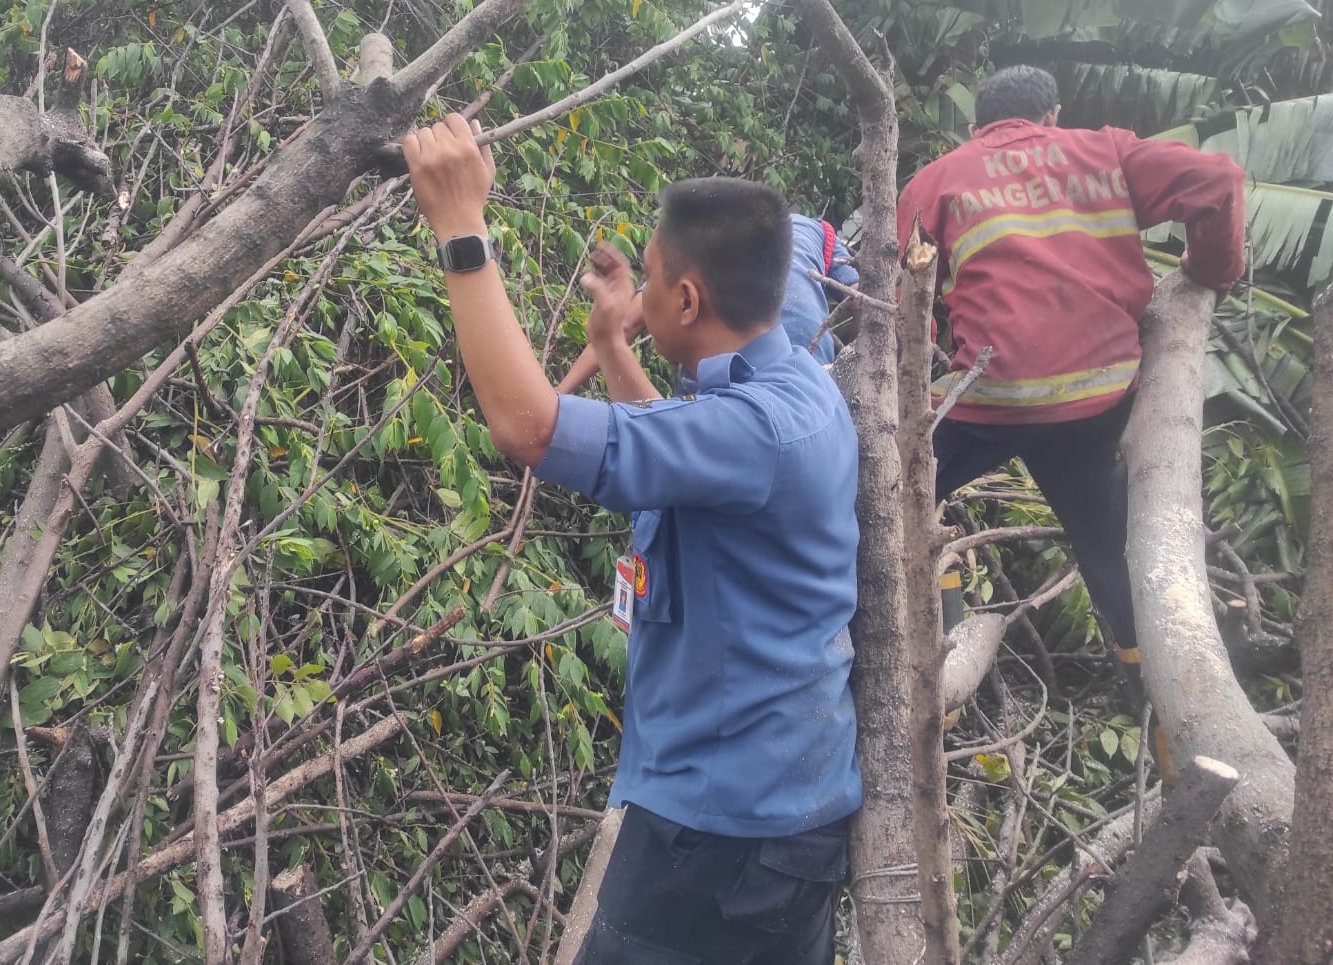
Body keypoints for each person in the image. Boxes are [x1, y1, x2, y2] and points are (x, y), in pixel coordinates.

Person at [403, 114, 861, 965]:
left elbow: (526, 426)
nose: (640, 294)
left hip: (719, 837)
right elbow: (687, 449)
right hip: (781, 819)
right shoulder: (789, 386)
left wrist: (462, 229)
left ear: (689, 299)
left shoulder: (752, 430)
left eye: (650, 281)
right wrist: (613, 343)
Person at [897, 65, 1245, 733]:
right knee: (1107, 549)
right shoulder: (1106, 150)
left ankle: (932, 647)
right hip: (1096, 398)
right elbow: (1221, 181)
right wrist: (1211, 270)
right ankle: (1158, 710)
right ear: (1052, 115)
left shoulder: (937, 177)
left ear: (977, 129)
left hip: (988, 395)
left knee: (897, 494)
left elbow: (894, 296)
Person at [555, 210, 857, 393]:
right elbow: (858, 296)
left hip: (733, 373)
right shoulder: (821, 233)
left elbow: (627, 323)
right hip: (816, 379)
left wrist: (559, 394)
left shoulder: (718, 240)